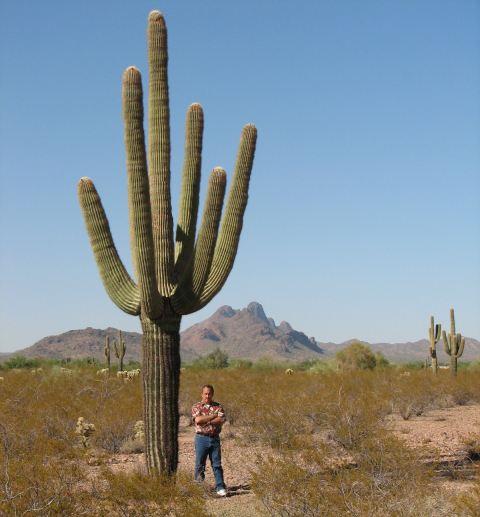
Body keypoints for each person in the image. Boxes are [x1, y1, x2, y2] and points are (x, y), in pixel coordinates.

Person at [191, 384, 227, 497]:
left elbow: (221, 419)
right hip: (201, 438)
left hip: (215, 438)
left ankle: (220, 487)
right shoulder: (196, 406)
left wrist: (207, 421)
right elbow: (198, 419)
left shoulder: (218, 406)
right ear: (201, 394)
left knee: (216, 464)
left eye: (209, 393)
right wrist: (213, 416)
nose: (207, 396)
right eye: (205, 393)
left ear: (212, 394)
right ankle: (199, 487)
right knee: (200, 464)